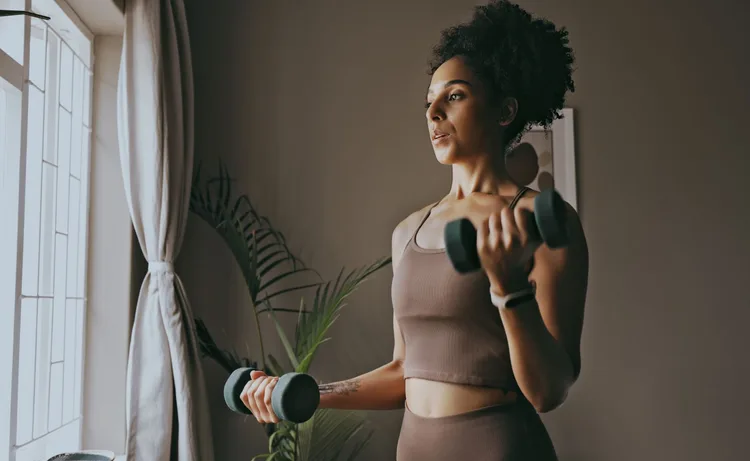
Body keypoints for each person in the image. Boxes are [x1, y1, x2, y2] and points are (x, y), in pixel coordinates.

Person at [240, 1, 588, 459]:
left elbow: (549, 391)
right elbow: (404, 370)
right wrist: (301, 394)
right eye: (429, 103)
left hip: (499, 447)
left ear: (505, 110)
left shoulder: (543, 221)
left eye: (455, 96)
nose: (434, 113)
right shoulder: (408, 231)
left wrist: (509, 291)